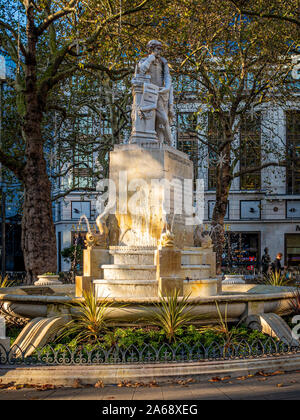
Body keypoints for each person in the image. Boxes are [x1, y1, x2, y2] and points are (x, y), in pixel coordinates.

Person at [136, 40, 175, 145]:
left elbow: (167, 76)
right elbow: (142, 70)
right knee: (159, 119)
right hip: (149, 94)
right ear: (151, 49)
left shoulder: (163, 62)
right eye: (158, 49)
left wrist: (166, 88)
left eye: (160, 49)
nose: (160, 52)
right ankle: (169, 143)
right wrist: (151, 58)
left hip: (161, 94)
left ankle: (166, 144)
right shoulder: (144, 60)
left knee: (161, 122)